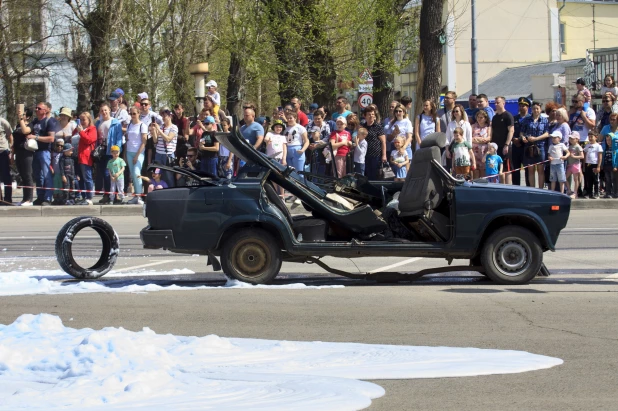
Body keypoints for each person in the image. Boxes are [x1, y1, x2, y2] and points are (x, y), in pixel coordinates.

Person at [24, 101, 58, 205]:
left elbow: (51, 138)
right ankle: (40, 196)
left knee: (47, 175)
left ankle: (48, 197)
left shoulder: (49, 121)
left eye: (39, 108)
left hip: (45, 151)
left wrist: (36, 137)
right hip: (35, 151)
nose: (37, 110)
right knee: (38, 176)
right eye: (36, 108)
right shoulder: (35, 121)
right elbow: (26, 130)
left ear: (46, 110)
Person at [95, 102, 124, 204]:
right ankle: (107, 195)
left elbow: (119, 137)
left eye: (105, 110)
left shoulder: (115, 122)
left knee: (112, 174)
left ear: (109, 111)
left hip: (111, 151)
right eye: (102, 110)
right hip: (101, 151)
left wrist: (117, 150)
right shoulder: (98, 123)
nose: (104, 112)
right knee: (104, 174)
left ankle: (116, 195)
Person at [520, 101, 549, 188]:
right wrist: (523, 137)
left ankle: (540, 189)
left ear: (540, 109)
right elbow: (522, 132)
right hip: (529, 147)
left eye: (537, 109)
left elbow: (547, 133)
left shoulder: (544, 120)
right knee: (530, 170)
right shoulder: (527, 120)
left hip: (540, 146)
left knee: (540, 170)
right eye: (534, 109)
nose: (535, 110)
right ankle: (533, 189)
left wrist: (536, 138)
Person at [124, 106, 147, 204]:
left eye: (134, 113)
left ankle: (139, 196)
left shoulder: (143, 125)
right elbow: (127, 140)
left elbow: (144, 141)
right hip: (129, 151)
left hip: (139, 152)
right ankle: (136, 196)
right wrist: (125, 154)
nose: (132, 115)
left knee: (137, 173)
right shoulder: (129, 125)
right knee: (132, 174)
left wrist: (137, 155)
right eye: (131, 113)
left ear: (138, 114)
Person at [150, 107, 177, 188]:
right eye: (162, 116)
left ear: (170, 116)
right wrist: (154, 130)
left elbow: (168, 139)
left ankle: (171, 193)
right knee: (158, 174)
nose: (163, 118)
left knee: (168, 176)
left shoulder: (174, 127)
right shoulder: (161, 127)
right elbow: (155, 140)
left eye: (165, 116)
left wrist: (159, 130)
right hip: (158, 155)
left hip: (168, 156)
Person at [12, 107, 34, 206]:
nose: (21, 116)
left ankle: (29, 199)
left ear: (28, 117)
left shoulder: (30, 125)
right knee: (22, 176)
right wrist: (12, 154)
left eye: (24, 114)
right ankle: (24, 199)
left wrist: (21, 119)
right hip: (18, 152)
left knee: (27, 175)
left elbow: (25, 131)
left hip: (27, 152)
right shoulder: (17, 125)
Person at [491, 96, 514, 184]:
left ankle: (508, 187)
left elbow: (511, 131)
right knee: (497, 167)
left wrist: (507, 145)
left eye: (498, 103)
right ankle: (500, 185)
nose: (496, 104)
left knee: (506, 168)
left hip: (505, 146)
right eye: (495, 103)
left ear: (503, 103)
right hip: (496, 147)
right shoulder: (495, 117)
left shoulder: (508, 116)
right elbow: (493, 131)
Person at [75, 112, 96, 205]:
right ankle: (83, 196)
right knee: (81, 178)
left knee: (87, 177)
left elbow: (89, 140)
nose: (82, 122)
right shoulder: (81, 129)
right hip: (79, 156)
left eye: (84, 120)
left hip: (86, 156)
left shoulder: (92, 129)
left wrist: (81, 132)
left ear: (89, 120)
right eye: (81, 120)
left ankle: (89, 197)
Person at [361, 104, 386, 180]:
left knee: (375, 174)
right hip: (365, 154)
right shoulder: (363, 127)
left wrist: (384, 155)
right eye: (369, 114)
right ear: (365, 116)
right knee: (366, 174)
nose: (371, 116)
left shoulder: (378, 127)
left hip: (376, 155)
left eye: (373, 114)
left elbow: (383, 142)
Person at [386, 103, 414, 169]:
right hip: (394, 147)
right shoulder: (392, 123)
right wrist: (394, 133)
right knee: (395, 170)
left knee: (405, 170)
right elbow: (389, 139)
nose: (398, 113)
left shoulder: (407, 122)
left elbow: (409, 137)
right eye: (396, 111)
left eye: (400, 111)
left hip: (404, 147)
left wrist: (403, 148)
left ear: (404, 112)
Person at [138, 97, 163, 169]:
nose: (143, 106)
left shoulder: (153, 115)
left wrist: (156, 130)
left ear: (149, 105)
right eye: (142, 104)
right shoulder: (138, 114)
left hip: (149, 140)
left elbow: (163, 122)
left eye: (145, 104)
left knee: (148, 159)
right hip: (139, 139)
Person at [444, 104, 471, 170]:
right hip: (453, 149)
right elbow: (447, 138)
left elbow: (469, 138)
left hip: (463, 149)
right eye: (454, 111)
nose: (455, 113)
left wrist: (469, 151)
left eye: (457, 111)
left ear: (461, 112)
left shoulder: (466, 124)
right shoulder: (450, 124)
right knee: (453, 169)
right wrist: (447, 150)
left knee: (465, 170)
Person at [511, 97, 531, 186]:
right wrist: (513, 139)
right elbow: (510, 131)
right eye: (520, 105)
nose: (522, 107)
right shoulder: (514, 118)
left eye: (524, 106)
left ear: (528, 107)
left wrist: (520, 139)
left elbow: (530, 131)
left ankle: (528, 187)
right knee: (515, 168)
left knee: (527, 168)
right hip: (515, 146)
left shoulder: (530, 118)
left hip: (526, 146)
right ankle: (516, 186)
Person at [284, 111, 309, 177]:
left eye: (290, 118)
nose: (289, 120)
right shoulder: (286, 129)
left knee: (299, 173)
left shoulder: (300, 128)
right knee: (290, 173)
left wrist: (303, 150)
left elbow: (306, 141)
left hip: (297, 150)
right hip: (288, 150)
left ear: (295, 118)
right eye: (288, 118)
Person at [306, 110, 331, 175]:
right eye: (315, 119)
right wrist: (308, 144)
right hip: (311, 147)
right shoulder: (309, 125)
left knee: (322, 167)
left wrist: (318, 145)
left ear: (322, 118)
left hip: (323, 148)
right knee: (313, 167)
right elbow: (306, 136)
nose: (317, 120)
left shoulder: (326, 126)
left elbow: (328, 138)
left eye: (319, 119)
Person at [471, 110, 491, 179]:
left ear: (485, 118)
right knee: (475, 168)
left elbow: (488, 138)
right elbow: (470, 138)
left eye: (481, 117)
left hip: (483, 151)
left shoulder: (488, 127)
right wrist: (480, 139)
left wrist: (477, 139)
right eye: (478, 117)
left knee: (483, 169)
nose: (479, 119)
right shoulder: (473, 126)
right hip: (475, 151)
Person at [584, 131, 603, 199]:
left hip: (594, 164)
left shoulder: (598, 146)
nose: (590, 138)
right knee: (589, 179)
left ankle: (596, 193)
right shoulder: (587, 145)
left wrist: (598, 166)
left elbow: (600, 157)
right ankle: (589, 193)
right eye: (589, 137)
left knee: (595, 179)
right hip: (588, 164)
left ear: (596, 137)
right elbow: (585, 154)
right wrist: (584, 165)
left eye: (591, 137)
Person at [600, 126, 618, 198]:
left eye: (610, 140)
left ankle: (615, 192)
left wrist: (616, 166)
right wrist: (602, 165)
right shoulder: (605, 149)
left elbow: (616, 159)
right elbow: (603, 157)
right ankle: (608, 193)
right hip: (606, 166)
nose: (608, 142)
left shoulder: (615, 150)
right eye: (607, 140)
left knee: (614, 180)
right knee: (607, 180)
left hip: (613, 166)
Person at [566, 132, 584, 198]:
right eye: (570, 138)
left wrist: (574, 157)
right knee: (564, 178)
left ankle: (575, 193)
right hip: (570, 164)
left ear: (577, 139)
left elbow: (582, 156)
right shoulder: (569, 146)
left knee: (575, 179)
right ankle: (569, 190)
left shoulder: (578, 147)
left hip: (576, 165)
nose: (571, 140)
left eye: (572, 138)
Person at [0, 115, 13, 205]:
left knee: (6, 176)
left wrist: (11, 151)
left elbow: (10, 136)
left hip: (3, 152)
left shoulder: (3, 122)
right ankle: (0, 199)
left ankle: (8, 199)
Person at [51, 138, 64, 205]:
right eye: (58, 145)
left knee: (61, 186)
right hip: (55, 173)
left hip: (61, 174)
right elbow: (50, 162)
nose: (59, 147)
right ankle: (55, 199)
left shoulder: (63, 154)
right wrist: (51, 168)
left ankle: (61, 199)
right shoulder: (53, 154)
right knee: (55, 186)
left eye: (61, 146)